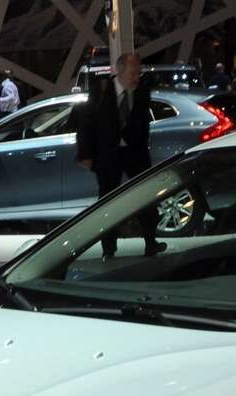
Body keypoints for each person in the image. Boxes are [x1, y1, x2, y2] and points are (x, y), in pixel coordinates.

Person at [76, 52, 165, 259]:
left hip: (136, 154)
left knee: (145, 198)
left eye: (139, 73)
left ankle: (150, 242)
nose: (137, 77)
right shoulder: (101, 90)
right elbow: (86, 125)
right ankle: (109, 248)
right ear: (120, 71)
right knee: (108, 202)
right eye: (133, 73)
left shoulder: (142, 91)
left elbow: (143, 123)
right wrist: (86, 154)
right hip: (108, 155)